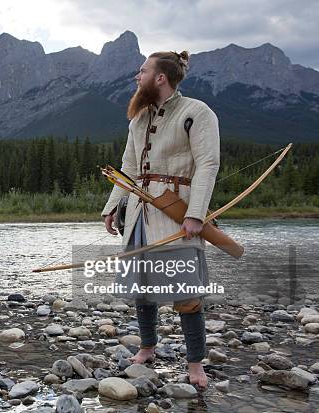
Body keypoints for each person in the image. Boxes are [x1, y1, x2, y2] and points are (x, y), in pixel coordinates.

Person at [101, 51, 220, 389]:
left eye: (142, 71)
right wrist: (112, 207)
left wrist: (196, 214)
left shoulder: (196, 113)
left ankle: (195, 364)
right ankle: (148, 347)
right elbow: (129, 168)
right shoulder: (138, 119)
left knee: (186, 292)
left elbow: (208, 165)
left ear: (160, 78)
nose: (136, 77)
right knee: (141, 288)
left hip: (176, 212)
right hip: (140, 213)